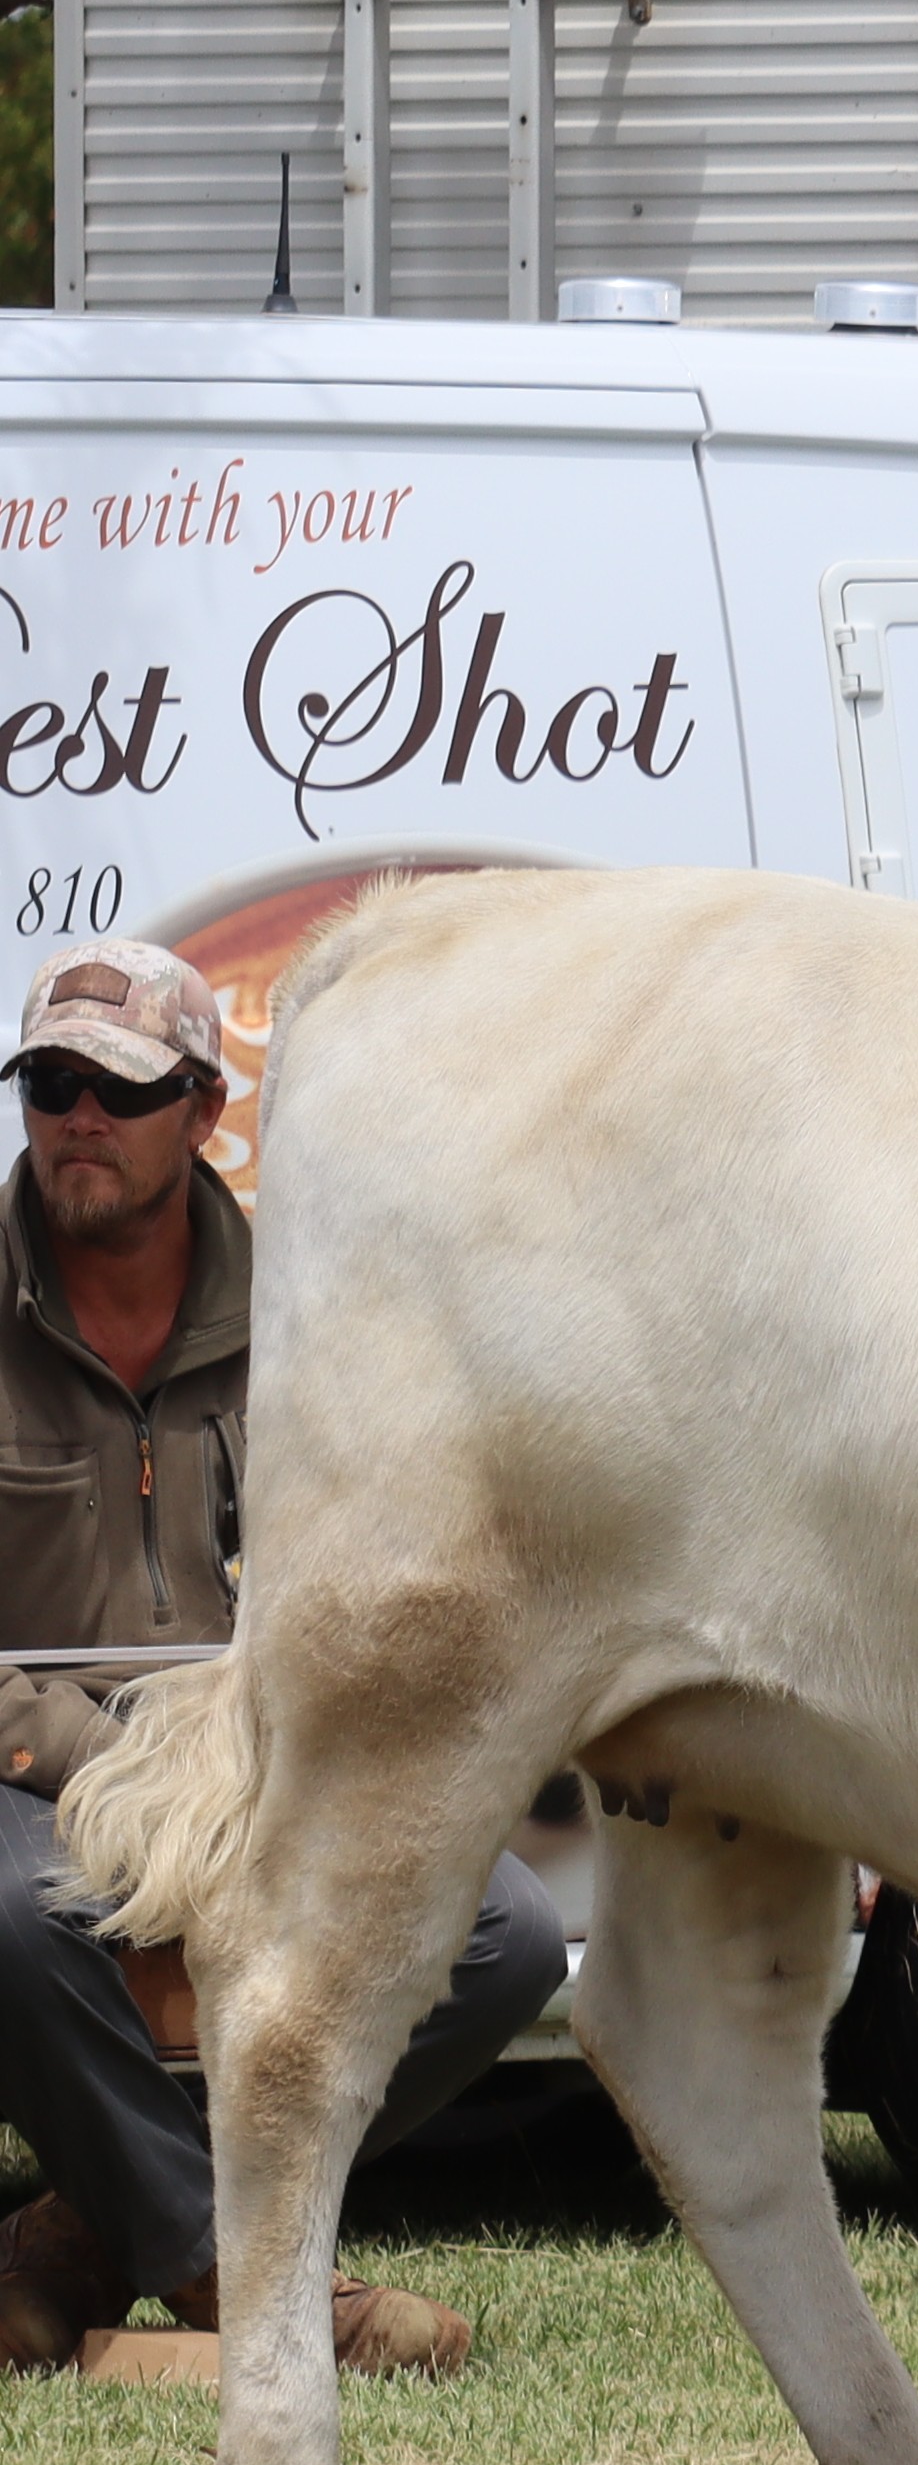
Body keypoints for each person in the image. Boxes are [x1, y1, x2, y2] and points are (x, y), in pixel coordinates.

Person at [0, 941, 564, 2378]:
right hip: (32, 1771)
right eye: (49, 1084)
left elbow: (395, 1583)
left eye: (120, 1089)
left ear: (203, 1110)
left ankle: (81, 2241)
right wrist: (110, 1764)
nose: (78, 1116)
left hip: (262, 1762)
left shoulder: (320, 1313)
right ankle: (238, 2280)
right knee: (13, 1914)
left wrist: (263, 1759)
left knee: (502, 1932)